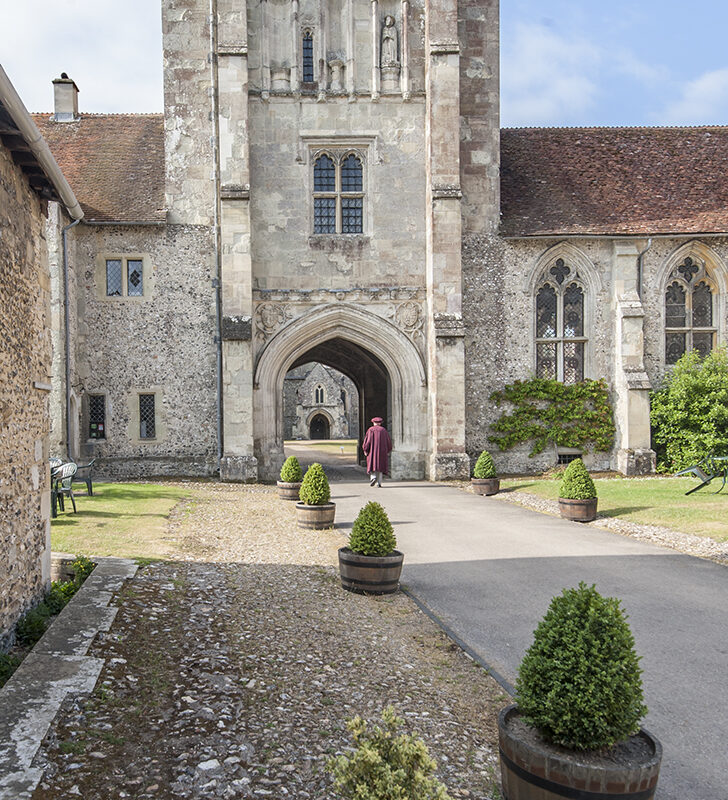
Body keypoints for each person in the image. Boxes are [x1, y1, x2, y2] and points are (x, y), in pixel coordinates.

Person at [362, 416, 392, 487]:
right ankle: (379, 483)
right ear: (380, 423)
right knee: (380, 467)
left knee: (372, 465)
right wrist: (388, 450)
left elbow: (367, 441)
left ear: (373, 423)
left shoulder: (370, 430)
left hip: (372, 452)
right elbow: (388, 442)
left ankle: (373, 478)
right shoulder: (383, 431)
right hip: (382, 452)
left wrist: (365, 449)